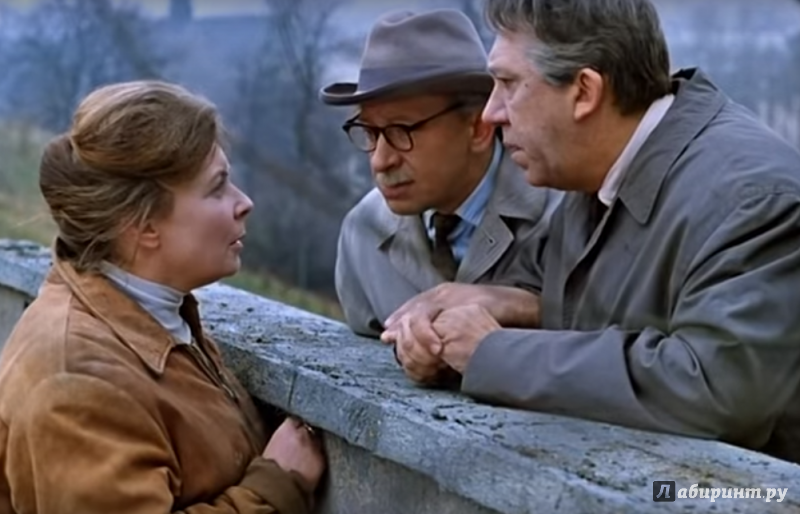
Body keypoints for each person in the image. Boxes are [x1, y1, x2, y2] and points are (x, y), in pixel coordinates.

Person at [385, 0, 800, 464]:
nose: (490, 114)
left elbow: (716, 386)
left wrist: (493, 354)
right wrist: (466, 322)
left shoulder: (752, 200)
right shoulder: (595, 174)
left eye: (508, 84)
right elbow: (553, 293)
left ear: (584, 92)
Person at [0, 81, 326, 513]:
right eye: (217, 188)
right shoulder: (77, 382)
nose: (244, 202)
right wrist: (276, 486)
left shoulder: (151, 316)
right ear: (143, 225)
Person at [320, 9, 560, 384]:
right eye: (369, 133)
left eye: (402, 130)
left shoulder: (562, 214)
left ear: (478, 127)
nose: (381, 161)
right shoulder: (362, 234)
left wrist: (526, 307)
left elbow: (618, 343)